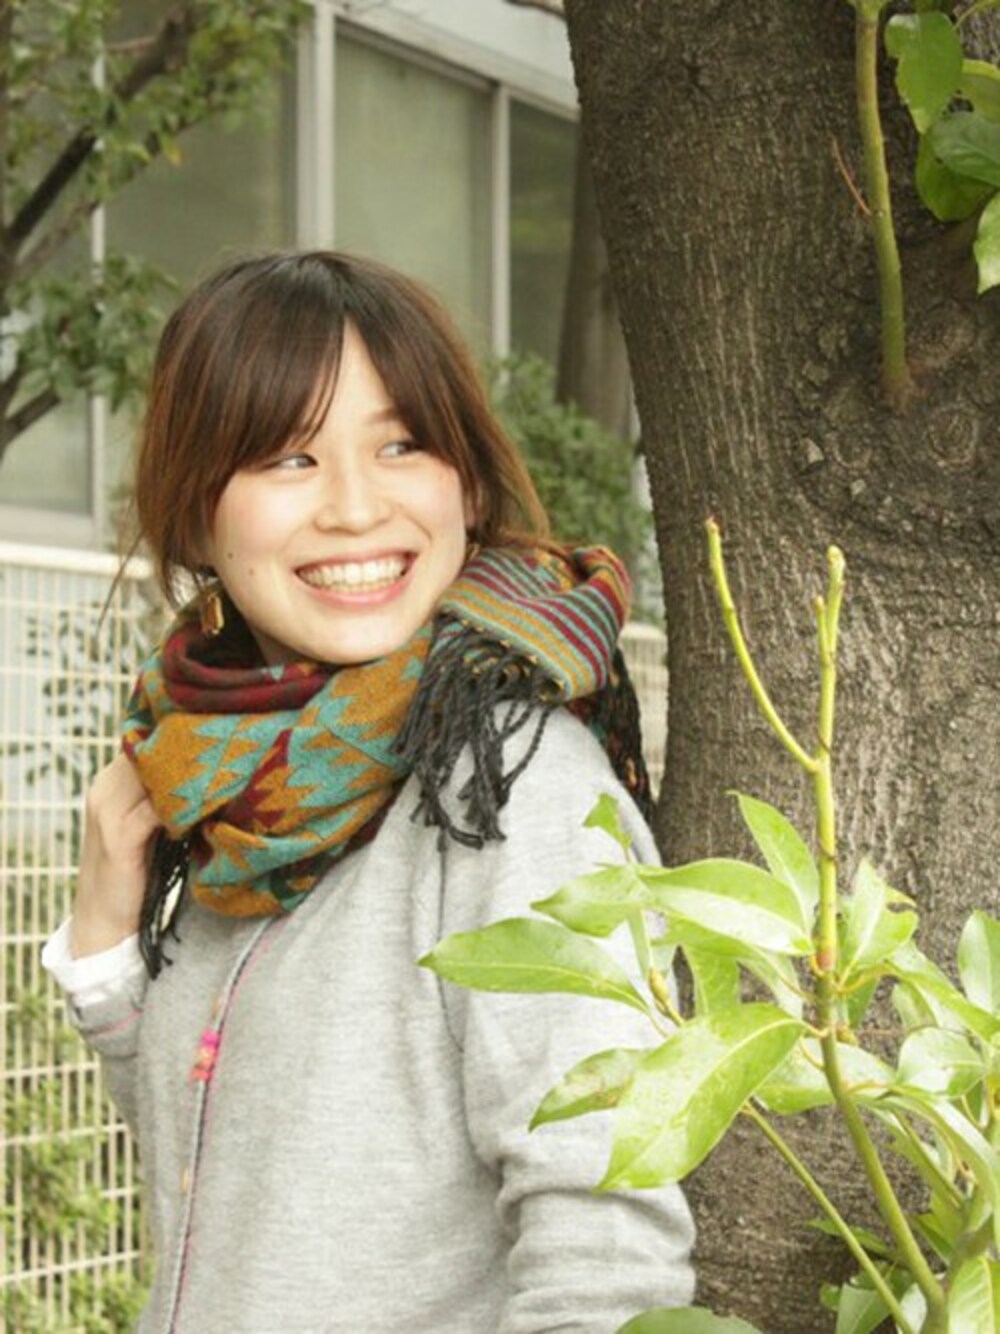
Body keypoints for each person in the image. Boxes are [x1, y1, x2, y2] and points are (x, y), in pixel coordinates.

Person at [43, 251, 694, 1333]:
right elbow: (223, 1178)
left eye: (401, 444)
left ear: (466, 483)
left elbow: (606, 1254)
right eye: (289, 457)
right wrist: (107, 948)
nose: (355, 507)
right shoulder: (227, 787)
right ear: (195, 517)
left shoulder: (503, 782)